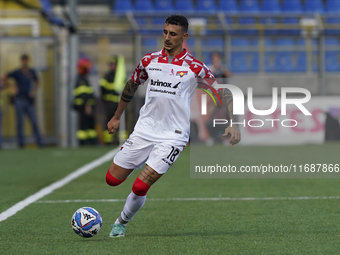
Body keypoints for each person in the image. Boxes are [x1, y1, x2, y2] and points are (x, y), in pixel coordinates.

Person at [105, 15, 241, 238]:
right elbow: (131, 86)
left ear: (184, 37)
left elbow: (222, 91)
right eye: (165, 32)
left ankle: (121, 222)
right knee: (112, 180)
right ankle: (144, 162)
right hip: (144, 130)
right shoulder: (149, 61)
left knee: (140, 187)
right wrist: (116, 116)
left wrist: (233, 123)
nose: (167, 38)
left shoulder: (195, 67)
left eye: (173, 34)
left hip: (173, 136)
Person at [1, 54, 44, 148]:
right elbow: (4, 77)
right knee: (20, 123)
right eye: (23, 60)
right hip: (19, 100)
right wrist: (12, 86)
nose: (25, 62)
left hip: (29, 100)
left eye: (26, 60)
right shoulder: (17, 72)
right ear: (21, 61)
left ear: (28, 61)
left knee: (34, 121)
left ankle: (40, 143)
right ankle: (21, 144)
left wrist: (34, 92)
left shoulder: (31, 72)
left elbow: (37, 82)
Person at [100, 55, 126, 145]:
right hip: (109, 104)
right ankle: (108, 141)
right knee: (109, 121)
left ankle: (121, 141)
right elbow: (102, 89)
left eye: (114, 64)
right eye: (111, 64)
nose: (112, 66)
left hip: (119, 104)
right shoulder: (107, 76)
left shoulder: (120, 76)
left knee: (121, 122)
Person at [73, 58, 97, 146]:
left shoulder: (82, 79)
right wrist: (88, 106)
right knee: (84, 126)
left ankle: (90, 142)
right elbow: (84, 95)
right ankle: (84, 143)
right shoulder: (82, 80)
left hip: (83, 107)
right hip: (83, 107)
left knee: (88, 126)